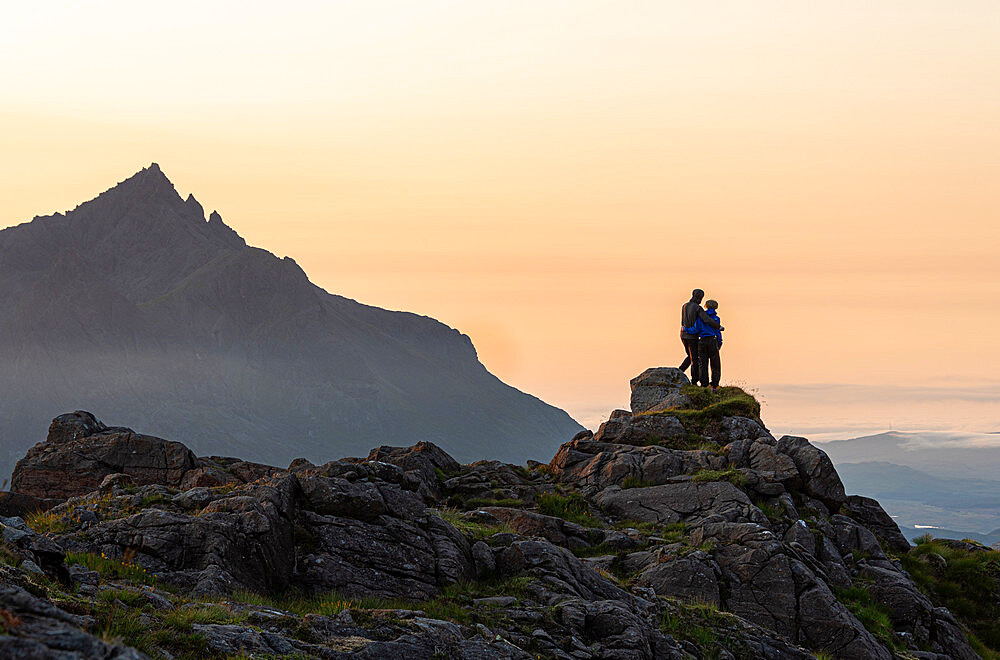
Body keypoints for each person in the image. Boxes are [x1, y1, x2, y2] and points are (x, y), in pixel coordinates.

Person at [679, 289, 722, 386]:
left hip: (683, 334)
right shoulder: (698, 308)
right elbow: (706, 319)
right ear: (700, 297)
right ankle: (694, 381)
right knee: (695, 359)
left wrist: (684, 329)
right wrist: (718, 326)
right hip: (692, 336)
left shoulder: (684, 305)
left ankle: (680, 370)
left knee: (692, 356)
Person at [697, 299, 723, 392]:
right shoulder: (716, 318)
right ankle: (714, 385)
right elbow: (718, 332)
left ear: (706, 306)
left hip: (702, 341)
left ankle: (704, 384)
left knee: (703, 364)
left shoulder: (700, 317)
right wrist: (719, 342)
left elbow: (697, 329)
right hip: (713, 341)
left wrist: (686, 330)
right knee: (715, 364)